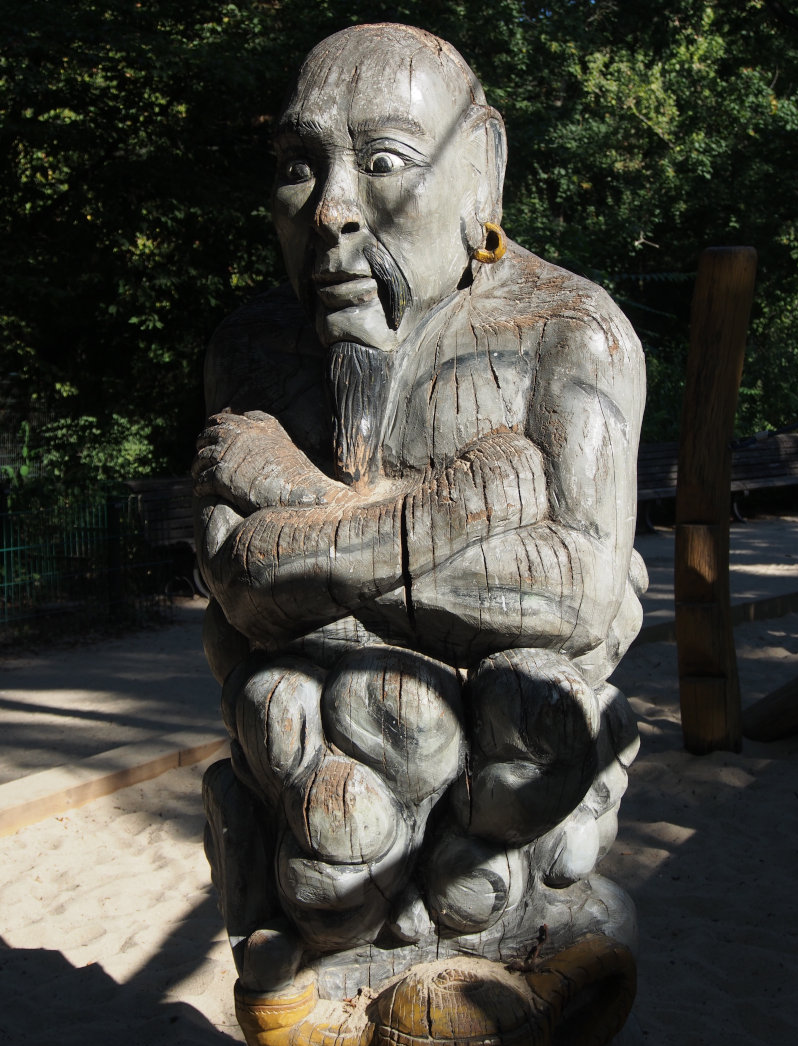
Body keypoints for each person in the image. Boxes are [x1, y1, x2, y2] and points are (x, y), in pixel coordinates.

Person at [194, 23, 646, 996]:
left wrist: (300, 512)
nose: (330, 211)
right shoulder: (256, 350)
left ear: (479, 171)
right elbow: (231, 583)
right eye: (295, 164)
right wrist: (466, 510)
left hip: (496, 839)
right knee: (288, 713)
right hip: (322, 850)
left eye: (385, 160)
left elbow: (576, 591)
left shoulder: (571, 335)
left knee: (525, 700)